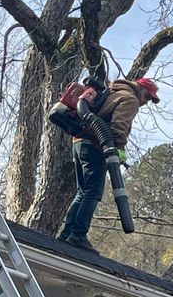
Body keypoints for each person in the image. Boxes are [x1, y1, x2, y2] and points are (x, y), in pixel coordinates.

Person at [58, 76, 159, 252]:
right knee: (92, 192)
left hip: (79, 142)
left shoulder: (113, 91)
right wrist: (118, 149)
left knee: (82, 191)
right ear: (141, 90)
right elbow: (119, 126)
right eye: (148, 97)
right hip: (96, 145)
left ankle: (66, 234)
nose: (146, 102)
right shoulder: (130, 99)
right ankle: (78, 235)